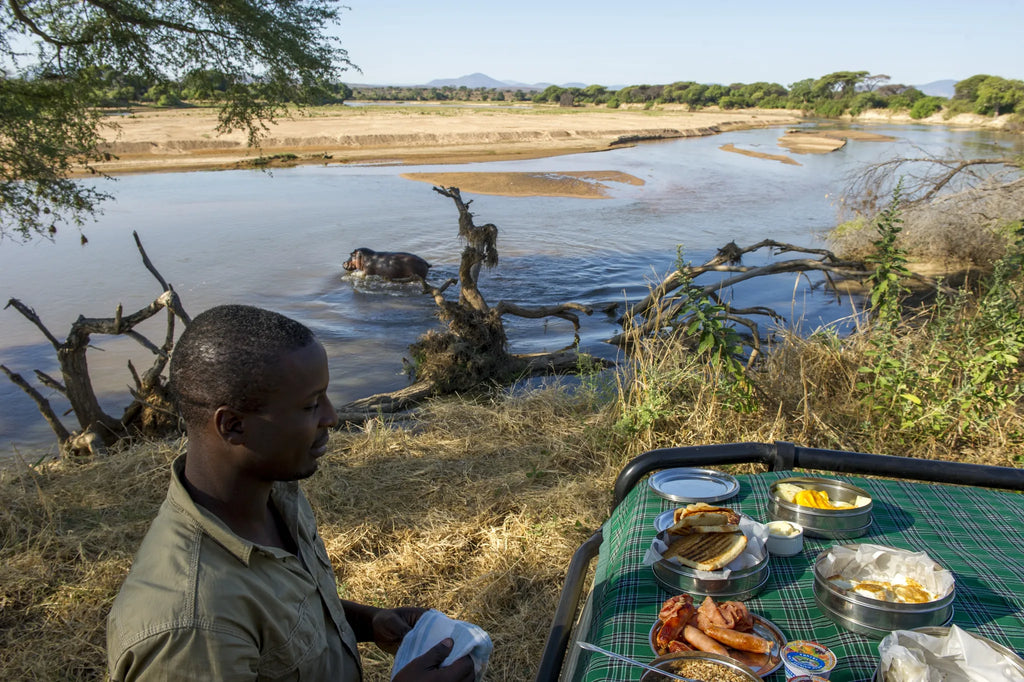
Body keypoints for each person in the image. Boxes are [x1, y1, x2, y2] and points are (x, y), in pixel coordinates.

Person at [107, 304, 475, 681]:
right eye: (311, 405)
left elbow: (287, 620)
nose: (332, 417)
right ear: (233, 425)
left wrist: (370, 621)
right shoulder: (191, 626)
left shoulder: (274, 493)